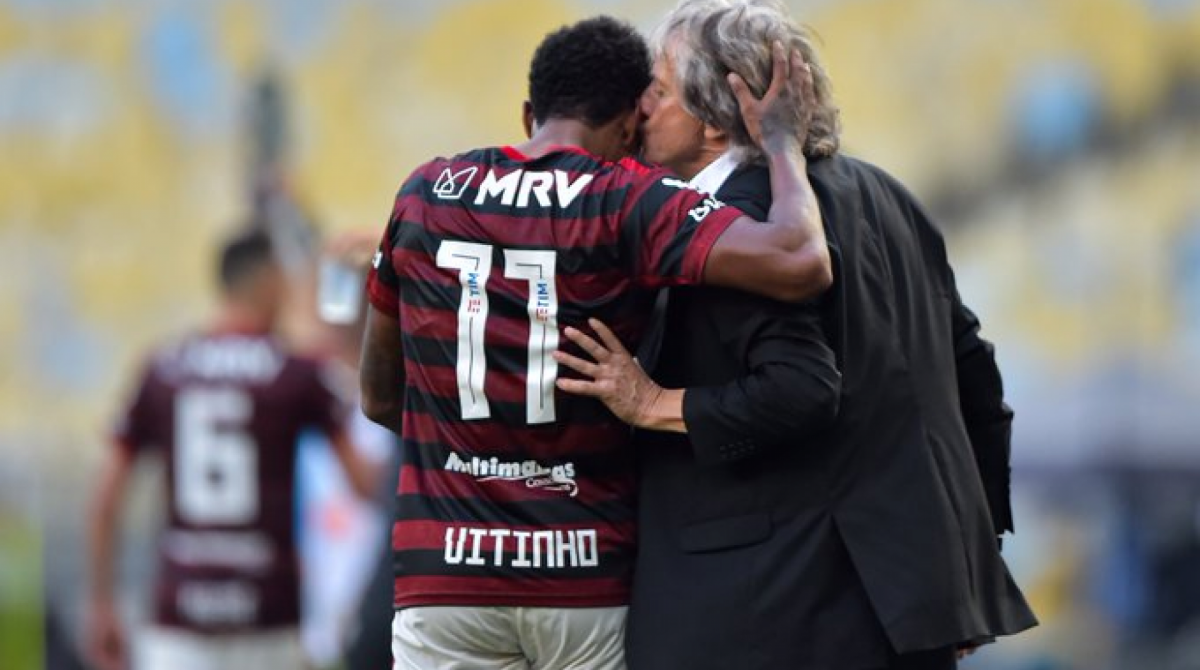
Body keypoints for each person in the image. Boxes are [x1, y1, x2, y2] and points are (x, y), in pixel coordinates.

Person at [554, 1, 1038, 669]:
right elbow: (974, 376)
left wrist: (652, 403)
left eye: (658, 91)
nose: (639, 109)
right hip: (907, 608)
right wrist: (967, 559)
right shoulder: (888, 195)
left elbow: (798, 389)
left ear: (718, 115)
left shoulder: (733, 229)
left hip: (763, 612)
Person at [360, 15, 830, 670]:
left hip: (443, 577)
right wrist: (781, 142)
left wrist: (474, 454)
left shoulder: (425, 193)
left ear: (530, 114)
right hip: (582, 576)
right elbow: (800, 260)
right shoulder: (627, 198)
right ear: (631, 122)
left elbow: (380, 397)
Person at [85, 228, 379, 670]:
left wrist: (101, 603)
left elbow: (106, 498)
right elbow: (366, 484)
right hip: (269, 620)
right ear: (267, 281)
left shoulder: (163, 369)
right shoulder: (297, 375)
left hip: (181, 617)